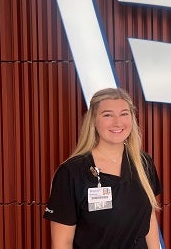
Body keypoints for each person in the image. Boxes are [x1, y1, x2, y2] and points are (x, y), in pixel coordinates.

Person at [44, 88, 162, 248]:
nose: (118, 122)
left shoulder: (143, 163)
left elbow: (148, 220)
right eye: (107, 115)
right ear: (93, 120)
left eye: (124, 114)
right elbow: (62, 243)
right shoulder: (72, 172)